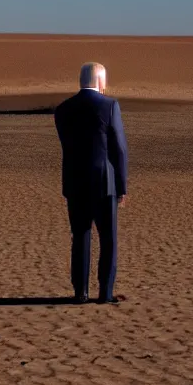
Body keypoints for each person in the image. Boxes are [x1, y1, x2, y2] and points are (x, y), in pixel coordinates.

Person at [54, 62, 128, 304]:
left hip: (75, 181)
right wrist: (122, 186)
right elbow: (119, 148)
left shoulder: (63, 109)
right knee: (108, 239)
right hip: (104, 182)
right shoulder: (109, 106)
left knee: (81, 236)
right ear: (99, 81)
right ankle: (105, 293)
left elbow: (68, 144)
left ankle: (80, 292)